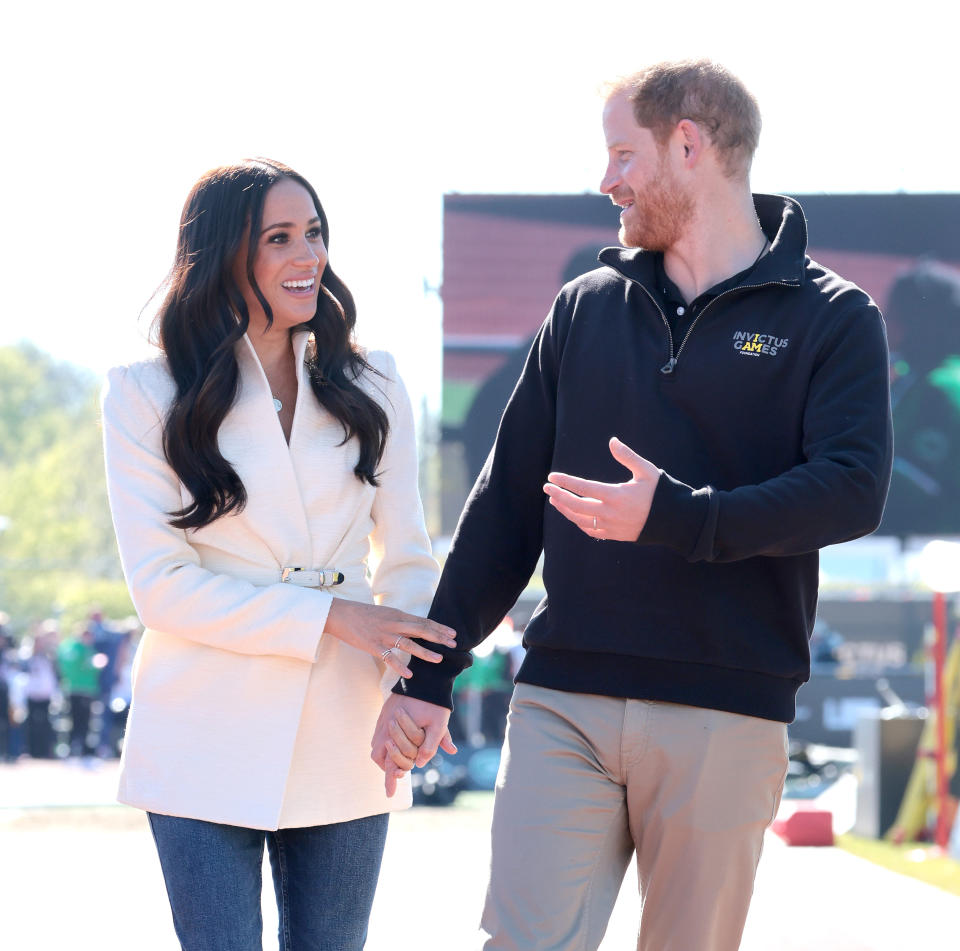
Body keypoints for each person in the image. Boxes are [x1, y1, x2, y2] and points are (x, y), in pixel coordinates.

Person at [373, 60, 893, 950]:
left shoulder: (834, 317)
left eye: (623, 154)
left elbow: (852, 488)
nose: (606, 179)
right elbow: (505, 506)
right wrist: (429, 674)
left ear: (688, 146)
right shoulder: (584, 307)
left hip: (726, 709)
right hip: (563, 698)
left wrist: (678, 516)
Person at [101, 158, 456, 951]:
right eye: (280, 238)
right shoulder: (143, 392)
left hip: (347, 729)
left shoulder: (375, 381)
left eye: (316, 233)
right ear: (225, 254)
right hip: (200, 731)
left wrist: (422, 684)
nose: (310, 256)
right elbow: (162, 590)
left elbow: (408, 561)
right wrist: (333, 617)